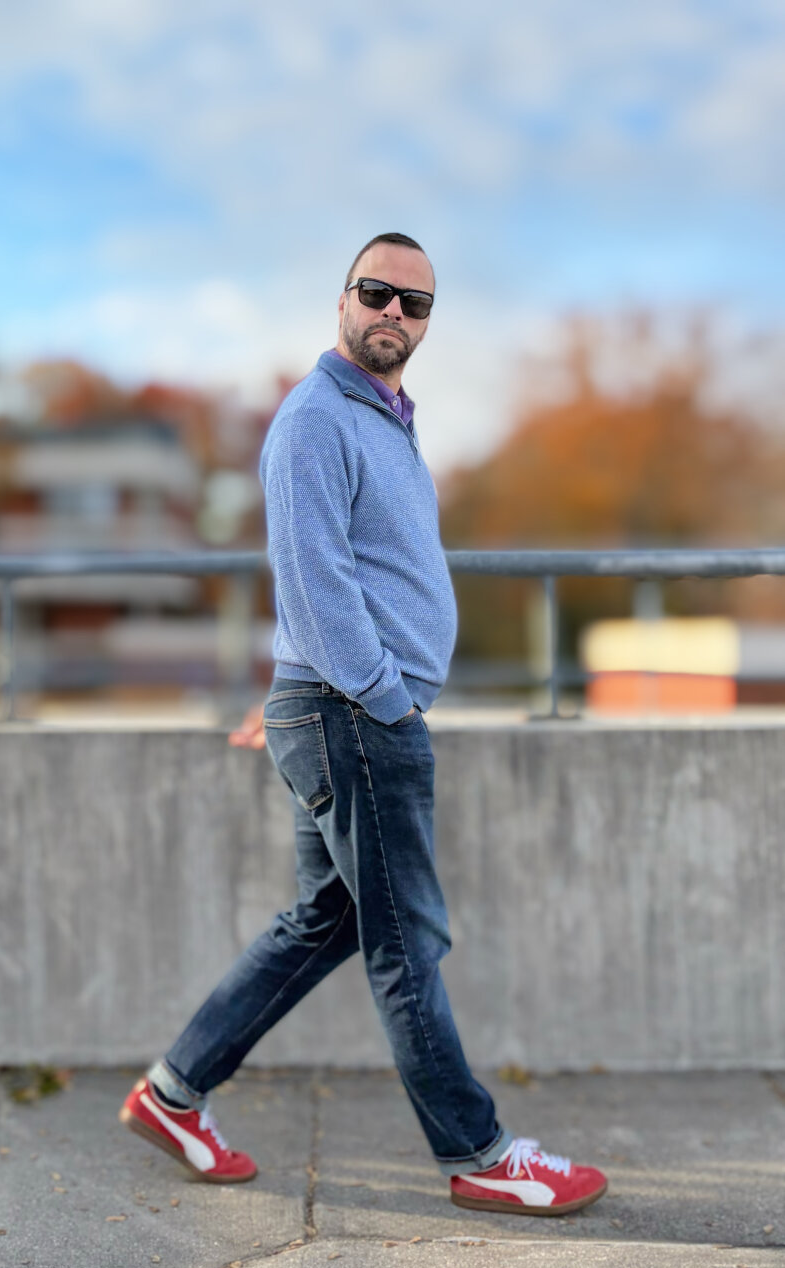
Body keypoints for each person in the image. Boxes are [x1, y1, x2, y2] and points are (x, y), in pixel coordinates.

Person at [120, 232, 608, 1216]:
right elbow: (315, 584)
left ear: (426, 323)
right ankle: (477, 1152)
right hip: (355, 715)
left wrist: (297, 692)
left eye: (413, 302)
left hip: (333, 706)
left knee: (326, 920)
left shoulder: (384, 420)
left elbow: (351, 576)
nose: (393, 311)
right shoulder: (314, 420)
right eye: (376, 291)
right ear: (341, 300)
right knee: (405, 939)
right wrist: (374, 700)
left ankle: (172, 1094)